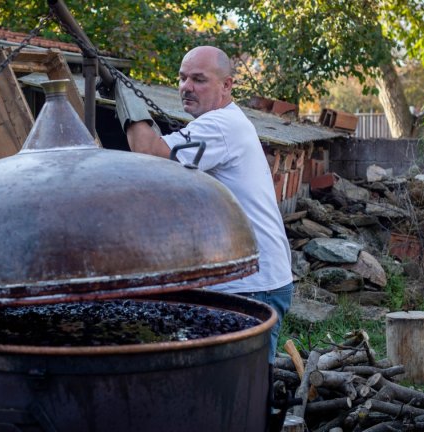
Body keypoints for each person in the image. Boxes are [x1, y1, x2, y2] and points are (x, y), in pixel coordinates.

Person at [113, 46, 293, 363]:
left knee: (241, 385)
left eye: (199, 79)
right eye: (182, 78)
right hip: (251, 278)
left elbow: (149, 152)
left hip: (252, 284)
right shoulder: (221, 123)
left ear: (227, 85)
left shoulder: (221, 126)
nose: (186, 87)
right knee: (233, 383)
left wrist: (125, 98)